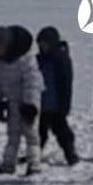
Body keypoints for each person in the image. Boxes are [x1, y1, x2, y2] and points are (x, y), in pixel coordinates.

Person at [0, 25, 43, 177]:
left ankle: (34, 164)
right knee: (12, 135)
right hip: (12, 103)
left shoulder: (26, 61)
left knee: (31, 134)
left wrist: (30, 104)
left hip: (28, 104)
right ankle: (8, 164)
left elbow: (32, 83)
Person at [34, 25, 80, 166]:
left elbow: (66, 84)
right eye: (40, 44)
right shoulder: (39, 59)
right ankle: (34, 155)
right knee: (39, 133)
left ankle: (70, 154)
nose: (42, 46)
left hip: (56, 105)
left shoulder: (61, 59)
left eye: (45, 43)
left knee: (62, 132)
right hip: (41, 103)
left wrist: (65, 105)